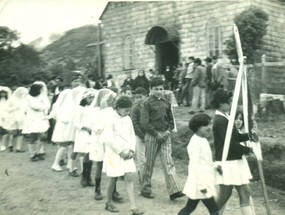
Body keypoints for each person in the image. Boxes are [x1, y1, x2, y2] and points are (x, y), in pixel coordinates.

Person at [212, 88, 255, 215]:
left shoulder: (227, 117)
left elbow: (235, 137)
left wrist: (249, 136)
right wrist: (246, 150)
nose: (230, 104)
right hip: (227, 161)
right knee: (224, 195)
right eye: (228, 102)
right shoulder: (220, 120)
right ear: (221, 103)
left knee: (245, 192)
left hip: (235, 160)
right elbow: (228, 142)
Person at [140, 77, 184, 200]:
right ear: (151, 89)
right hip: (152, 136)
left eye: (161, 89)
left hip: (165, 136)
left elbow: (171, 120)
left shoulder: (166, 103)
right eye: (156, 89)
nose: (159, 91)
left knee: (168, 161)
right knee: (149, 163)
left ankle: (174, 190)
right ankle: (146, 188)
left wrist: (168, 131)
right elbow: (144, 122)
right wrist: (155, 133)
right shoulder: (147, 103)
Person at [102, 96, 144, 215]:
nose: (128, 112)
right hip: (114, 154)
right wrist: (120, 152)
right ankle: (108, 202)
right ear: (118, 108)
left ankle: (133, 208)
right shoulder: (110, 119)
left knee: (129, 177)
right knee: (113, 178)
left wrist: (131, 150)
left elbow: (132, 135)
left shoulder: (128, 119)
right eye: (126, 110)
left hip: (127, 154)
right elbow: (109, 138)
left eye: (129, 110)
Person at [178, 113, 220, 215]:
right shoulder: (194, 143)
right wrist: (202, 185)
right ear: (197, 127)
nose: (210, 127)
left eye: (210, 124)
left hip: (204, 181)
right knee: (214, 210)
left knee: (189, 207)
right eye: (206, 125)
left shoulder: (202, 140)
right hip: (200, 183)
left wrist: (215, 166)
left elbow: (206, 160)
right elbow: (194, 165)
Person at [89, 88, 122, 201]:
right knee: (99, 164)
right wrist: (104, 125)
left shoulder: (112, 111)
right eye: (110, 99)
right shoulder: (95, 111)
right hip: (99, 141)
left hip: (109, 141)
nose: (112, 101)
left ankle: (113, 190)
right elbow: (95, 127)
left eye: (112, 99)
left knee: (112, 163)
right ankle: (97, 189)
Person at [73, 88, 97, 186]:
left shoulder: (94, 108)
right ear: (85, 98)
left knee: (91, 155)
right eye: (89, 97)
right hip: (83, 133)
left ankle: (88, 176)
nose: (91, 99)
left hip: (93, 133)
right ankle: (84, 175)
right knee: (86, 154)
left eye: (93, 98)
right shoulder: (80, 109)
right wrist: (85, 128)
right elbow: (76, 123)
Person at [22, 82, 50, 161]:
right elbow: (34, 107)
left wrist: (43, 107)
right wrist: (43, 107)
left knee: (42, 135)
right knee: (33, 136)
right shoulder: (28, 96)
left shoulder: (42, 95)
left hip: (41, 117)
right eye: (40, 89)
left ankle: (38, 152)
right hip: (32, 117)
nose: (41, 90)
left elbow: (48, 104)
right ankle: (32, 154)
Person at [130, 87, 148, 184]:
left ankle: (144, 175)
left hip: (148, 135)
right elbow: (134, 124)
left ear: (146, 96)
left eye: (140, 97)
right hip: (139, 136)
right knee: (141, 158)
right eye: (136, 97)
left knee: (147, 158)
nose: (138, 99)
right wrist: (142, 135)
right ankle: (143, 179)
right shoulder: (135, 108)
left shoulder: (148, 106)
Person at [3, 87, 28, 152]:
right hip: (13, 116)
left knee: (20, 132)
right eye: (21, 93)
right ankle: (10, 144)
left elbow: (26, 108)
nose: (22, 94)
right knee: (12, 131)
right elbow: (6, 108)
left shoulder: (24, 99)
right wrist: (14, 108)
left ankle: (18, 147)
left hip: (21, 117)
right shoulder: (12, 99)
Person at [0, 86, 12, 151]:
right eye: (1, 93)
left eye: (4, 93)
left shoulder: (8, 100)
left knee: (5, 131)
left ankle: (3, 144)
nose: (3, 94)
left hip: (6, 116)